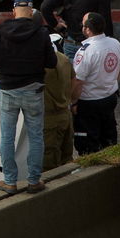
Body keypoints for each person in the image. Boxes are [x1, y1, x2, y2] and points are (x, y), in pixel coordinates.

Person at [0, 0, 55, 192]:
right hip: (34, 91)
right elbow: (52, 63)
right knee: (36, 137)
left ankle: (10, 181)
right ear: (31, 12)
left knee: (7, 137)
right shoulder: (41, 33)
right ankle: (33, 180)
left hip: (8, 91)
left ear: (14, 11)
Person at [71, 11, 120, 155]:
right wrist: (110, 87)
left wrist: (74, 102)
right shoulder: (115, 43)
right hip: (110, 98)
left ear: (87, 29)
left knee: (88, 146)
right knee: (109, 139)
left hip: (89, 104)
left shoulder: (85, 51)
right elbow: (119, 70)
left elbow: (78, 81)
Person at [42, 33, 75, 172]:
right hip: (65, 114)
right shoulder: (64, 59)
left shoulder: (41, 65)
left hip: (51, 119)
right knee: (67, 157)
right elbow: (74, 80)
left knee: (49, 164)